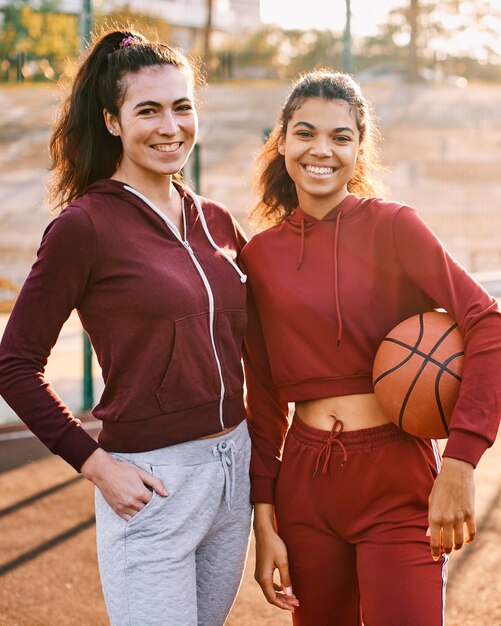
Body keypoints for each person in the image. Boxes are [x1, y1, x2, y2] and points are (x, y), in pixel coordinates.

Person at [0, 29, 252, 626]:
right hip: (153, 481)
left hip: (234, 469)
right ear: (113, 121)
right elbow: (14, 364)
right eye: (149, 110)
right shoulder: (84, 227)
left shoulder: (212, 219)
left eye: (182, 106)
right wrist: (95, 464)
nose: (171, 126)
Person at [240, 69, 501, 626]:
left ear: (359, 149)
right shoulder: (260, 257)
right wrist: (264, 519)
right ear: (282, 139)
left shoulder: (394, 227)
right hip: (304, 486)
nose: (322, 150)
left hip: (394, 474)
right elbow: (262, 401)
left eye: (340, 137)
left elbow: (487, 322)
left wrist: (460, 460)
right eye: (305, 133)